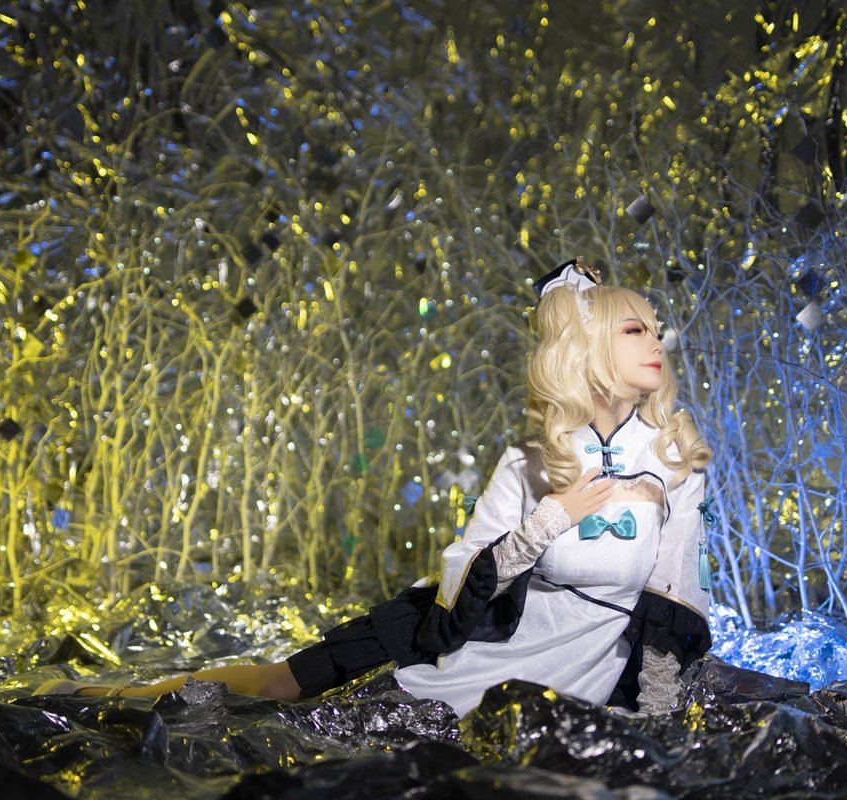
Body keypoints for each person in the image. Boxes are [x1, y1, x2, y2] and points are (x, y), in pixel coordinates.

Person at [38, 258, 714, 715]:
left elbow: (672, 601)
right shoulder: (528, 462)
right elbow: (468, 571)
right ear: (587, 349)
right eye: (635, 330)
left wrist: (655, 725)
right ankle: (106, 700)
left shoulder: (676, 463)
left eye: (656, 331)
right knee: (283, 683)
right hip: (462, 636)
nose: (656, 343)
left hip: (574, 666)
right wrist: (549, 521)